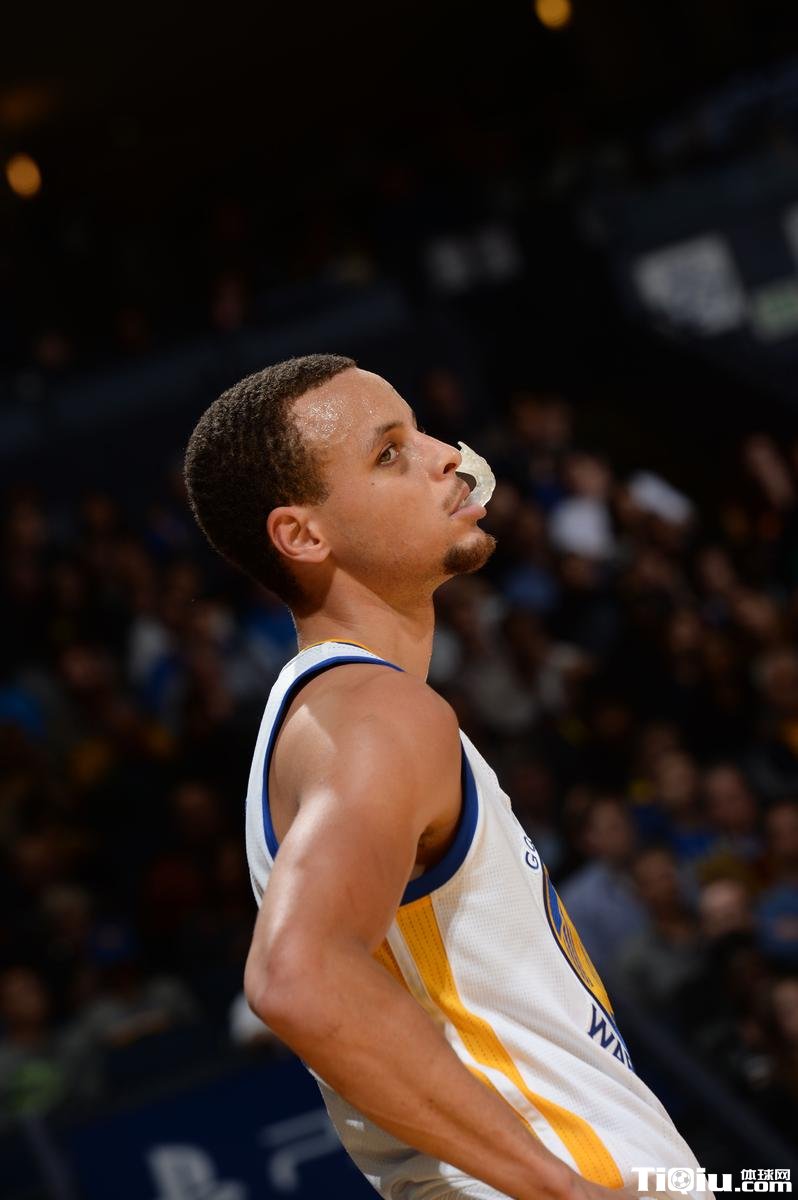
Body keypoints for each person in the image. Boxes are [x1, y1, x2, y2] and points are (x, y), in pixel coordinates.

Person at [183, 355, 707, 1200]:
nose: (448, 457)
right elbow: (297, 976)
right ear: (304, 536)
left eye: (420, 430)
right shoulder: (375, 714)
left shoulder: (342, 712)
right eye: (390, 452)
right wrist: (562, 1189)